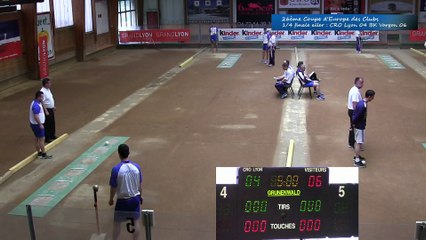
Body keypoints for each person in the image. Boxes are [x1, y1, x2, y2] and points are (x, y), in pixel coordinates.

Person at [109, 144, 143, 240]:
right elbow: (140, 185)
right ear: (129, 153)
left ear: (119, 154)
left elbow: (113, 187)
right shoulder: (137, 167)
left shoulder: (116, 169)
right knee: (135, 222)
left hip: (122, 201)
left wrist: (111, 199)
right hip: (135, 199)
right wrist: (141, 196)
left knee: (117, 224)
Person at [352, 89, 375, 167]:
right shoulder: (362, 105)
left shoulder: (362, 103)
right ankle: (356, 160)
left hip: (360, 125)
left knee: (358, 141)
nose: (373, 99)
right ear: (369, 96)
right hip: (359, 126)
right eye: (372, 97)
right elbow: (356, 116)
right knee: (358, 142)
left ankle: (357, 156)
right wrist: (354, 124)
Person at [29, 91, 52, 159]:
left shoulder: (35, 102)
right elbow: (36, 116)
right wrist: (40, 124)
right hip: (37, 125)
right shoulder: (36, 106)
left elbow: (42, 103)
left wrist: (45, 110)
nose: (43, 98)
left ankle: (39, 152)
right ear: (39, 97)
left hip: (34, 124)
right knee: (41, 139)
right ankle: (43, 154)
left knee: (37, 138)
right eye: (42, 97)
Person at [347, 77, 364, 149]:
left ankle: (351, 142)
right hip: (354, 111)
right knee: (355, 127)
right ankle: (354, 144)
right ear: (356, 82)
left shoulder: (355, 89)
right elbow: (354, 104)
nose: (362, 84)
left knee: (352, 127)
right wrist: (357, 114)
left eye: (362, 82)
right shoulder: (355, 92)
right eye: (361, 83)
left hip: (351, 111)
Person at [40, 78, 57, 143]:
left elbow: (50, 99)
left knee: (52, 122)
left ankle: (52, 135)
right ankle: (47, 138)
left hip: (51, 109)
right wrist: (46, 110)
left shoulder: (48, 90)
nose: (50, 84)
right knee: (47, 124)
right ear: (46, 84)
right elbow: (42, 102)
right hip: (47, 110)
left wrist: (53, 106)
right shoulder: (42, 92)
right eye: (49, 83)